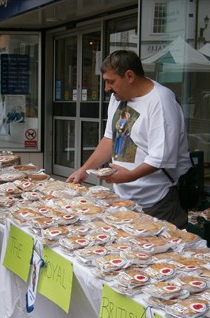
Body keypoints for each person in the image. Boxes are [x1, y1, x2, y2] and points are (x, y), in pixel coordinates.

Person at [66, 50, 192, 228]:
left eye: (111, 82)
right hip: (123, 199)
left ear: (130, 76)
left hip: (156, 201)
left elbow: (160, 158)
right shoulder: (118, 98)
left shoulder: (161, 101)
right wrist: (85, 169)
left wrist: (129, 176)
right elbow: (110, 139)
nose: (107, 88)